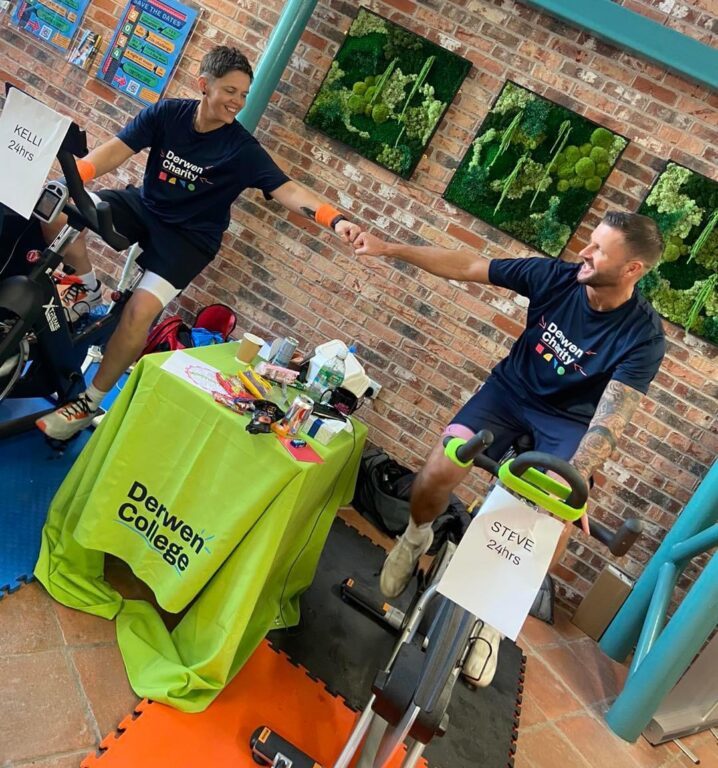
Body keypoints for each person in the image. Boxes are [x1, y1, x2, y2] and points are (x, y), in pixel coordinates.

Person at [353, 211, 665, 686]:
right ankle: (416, 534)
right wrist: (390, 247)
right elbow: (468, 265)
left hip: (567, 424)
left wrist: (575, 483)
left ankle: (491, 623)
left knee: (551, 523)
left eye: (600, 250)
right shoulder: (555, 278)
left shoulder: (641, 335)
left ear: (632, 270)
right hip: (509, 394)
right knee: (442, 463)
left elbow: (610, 421)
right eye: (590, 241)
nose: (584, 251)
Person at [37, 45, 360, 440]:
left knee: (139, 312)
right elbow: (116, 151)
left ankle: (88, 403)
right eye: (230, 91)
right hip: (145, 206)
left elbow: (288, 190)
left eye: (243, 94)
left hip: (189, 239)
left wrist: (335, 219)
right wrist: (74, 176)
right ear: (203, 85)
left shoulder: (241, 150)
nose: (238, 102)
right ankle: (86, 289)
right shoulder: (167, 114)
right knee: (54, 210)